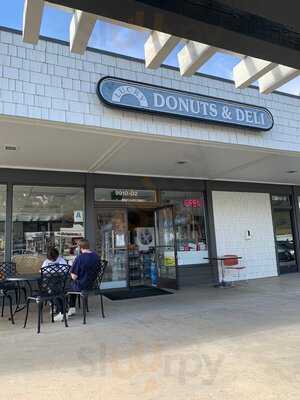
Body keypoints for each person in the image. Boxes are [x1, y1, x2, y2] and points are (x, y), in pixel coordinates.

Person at [54, 239, 100, 322]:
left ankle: (62, 313)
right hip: (92, 285)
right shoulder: (96, 256)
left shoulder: (80, 258)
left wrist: (73, 267)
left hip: (81, 286)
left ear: (80, 248)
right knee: (71, 285)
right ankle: (72, 308)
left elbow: (74, 276)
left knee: (57, 288)